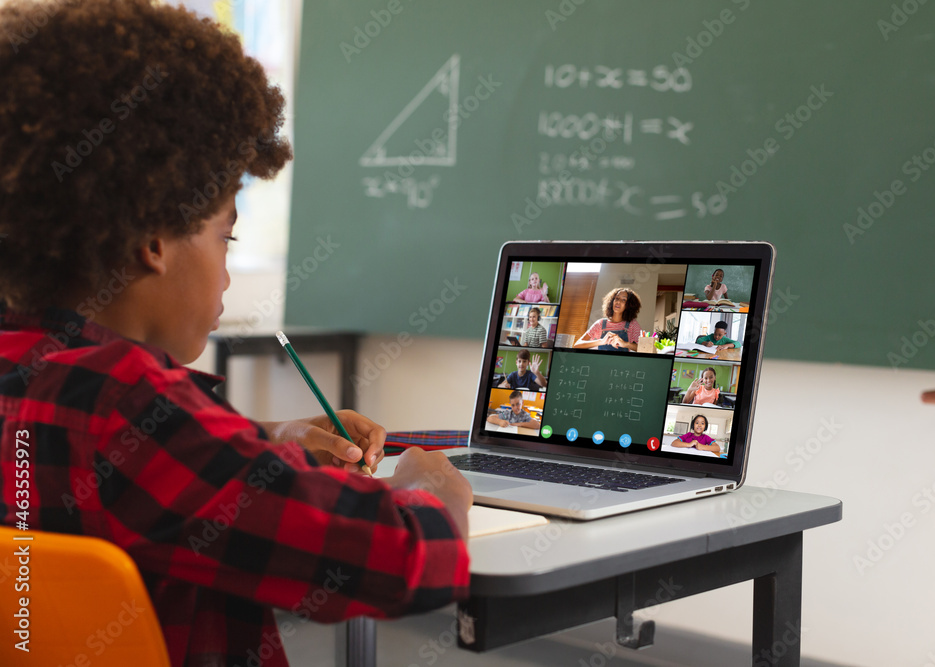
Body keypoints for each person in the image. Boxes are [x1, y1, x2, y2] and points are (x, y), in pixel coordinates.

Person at [0, 2, 472, 665]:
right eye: (227, 234)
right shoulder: (133, 407)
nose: (226, 268)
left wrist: (265, 440)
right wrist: (432, 492)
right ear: (154, 239)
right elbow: (400, 561)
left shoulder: (37, 374)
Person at [573, 288, 642, 352]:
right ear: (612, 301)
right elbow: (577, 345)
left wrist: (625, 344)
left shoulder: (632, 324)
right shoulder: (600, 323)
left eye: (623, 300)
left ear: (629, 305)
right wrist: (601, 341)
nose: (618, 302)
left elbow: (644, 348)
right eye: (617, 298)